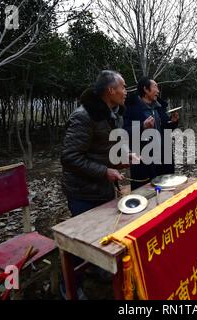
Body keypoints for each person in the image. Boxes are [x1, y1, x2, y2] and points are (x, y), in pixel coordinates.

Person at [60, 70, 128, 298]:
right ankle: (70, 283)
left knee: (105, 233)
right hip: (82, 190)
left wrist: (122, 159)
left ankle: (99, 269)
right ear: (111, 90)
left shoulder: (113, 114)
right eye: (123, 87)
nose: (126, 92)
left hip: (102, 187)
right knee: (81, 240)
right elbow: (70, 158)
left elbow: (104, 149)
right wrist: (105, 171)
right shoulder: (83, 116)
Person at [123, 77, 179, 190]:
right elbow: (125, 132)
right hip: (144, 158)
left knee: (166, 189)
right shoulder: (131, 109)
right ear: (146, 89)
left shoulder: (159, 107)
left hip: (163, 157)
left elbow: (165, 129)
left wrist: (173, 122)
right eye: (155, 87)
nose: (158, 91)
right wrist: (142, 126)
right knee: (146, 193)